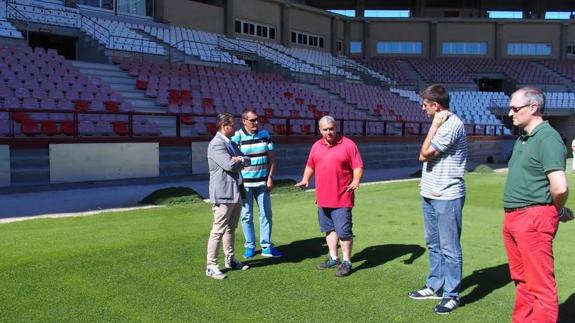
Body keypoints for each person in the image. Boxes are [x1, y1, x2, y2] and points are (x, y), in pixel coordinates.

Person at [502, 86, 570, 322]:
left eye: (515, 108)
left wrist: (556, 210)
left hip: (532, 218)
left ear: (533, 108)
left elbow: (560, 187)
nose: (510, 113)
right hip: (514, 218)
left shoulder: (547, 138)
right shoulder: (523, 137)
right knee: (522, 281)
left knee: (540, 286)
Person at [407, 84, 468, 315]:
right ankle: (434, 285)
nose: (423, 109)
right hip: (430, 193)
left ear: (436, 105)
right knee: (433, 243)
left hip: (447, 194)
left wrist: (433, 127)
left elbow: (423, 155)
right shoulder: (443, 123)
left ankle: (451, 294)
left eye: (425, 105)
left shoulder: (451, 125)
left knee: (449, 248)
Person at [295, 115, 363, 277]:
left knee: (344, 232)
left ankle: (347, 261)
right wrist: (305, 179)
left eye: (331, 129)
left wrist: (356, 180)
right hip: (323, 197)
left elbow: (358, 165)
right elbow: (310, 164)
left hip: (342, 197)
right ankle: (333, 258)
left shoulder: (348, 144)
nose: (329, 132)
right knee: (329, 229)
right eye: (325, 130)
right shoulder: (316, 146)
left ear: (336, 127)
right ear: (320, 130)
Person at [231, 108, 283, 259]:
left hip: (262, 183)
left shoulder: (265, 135)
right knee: (246, 216)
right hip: (245, 185)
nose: (256, 122)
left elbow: (271, 158)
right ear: (244, 121)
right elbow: (232, 160)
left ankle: (266, 246)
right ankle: (250, 246)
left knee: (266, 214)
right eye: (252, 120)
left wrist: (270, 177)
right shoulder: (236, 137)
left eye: (257, 119)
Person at [205, 113, 251, 280]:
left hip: (235, 191)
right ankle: (211, 265)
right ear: (225, 126)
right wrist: (238, 159)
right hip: (224, 193)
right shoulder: (216, 144)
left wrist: (239, 158)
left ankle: (230, 259)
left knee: (231, 228)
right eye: (233, 125)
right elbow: (230, 165)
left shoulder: (230, 143)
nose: (236, 127)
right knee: (218, 230)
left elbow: (248, 160)